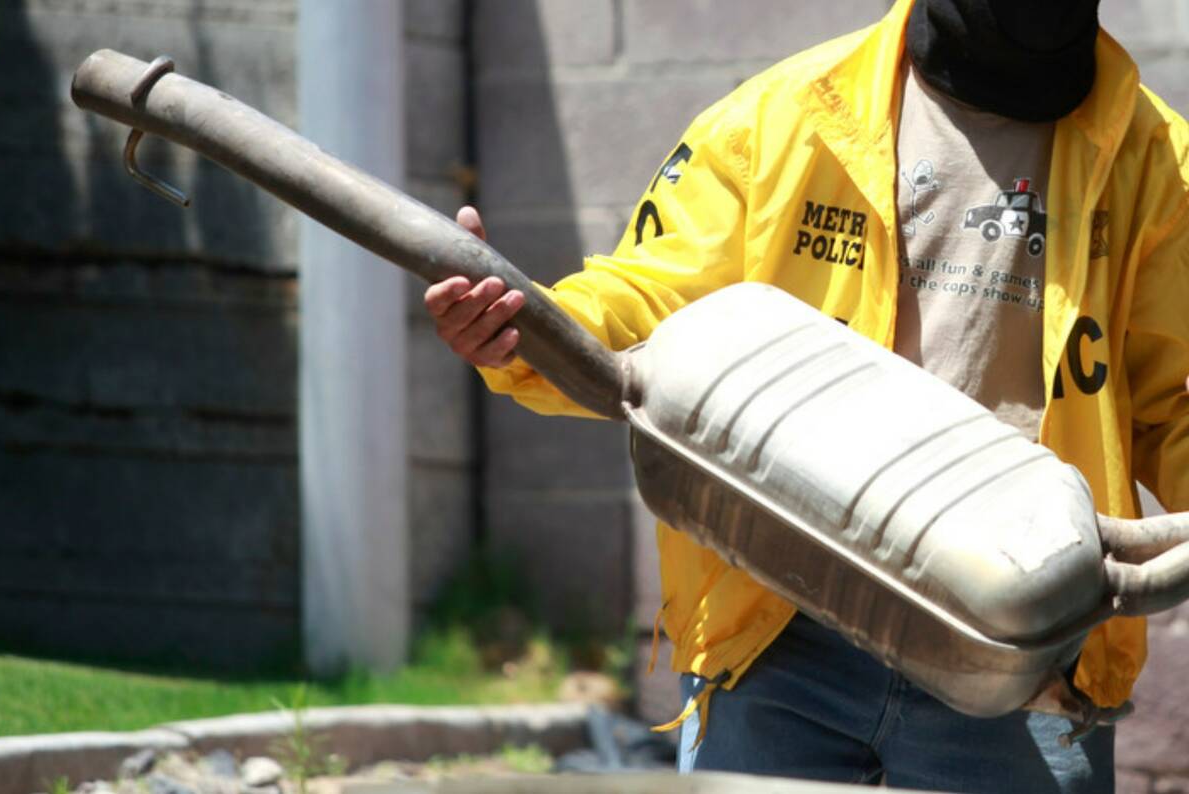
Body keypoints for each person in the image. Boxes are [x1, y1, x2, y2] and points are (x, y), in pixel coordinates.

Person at [424, 0, 1189, 790]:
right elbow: (649, 303)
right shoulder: (783, 122)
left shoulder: (1156, 161)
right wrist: (527, 327)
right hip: (782, 635)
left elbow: (1177, 403)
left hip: (1020, 651)